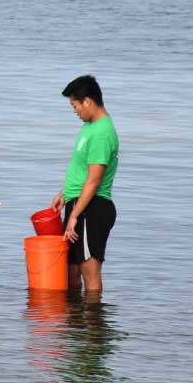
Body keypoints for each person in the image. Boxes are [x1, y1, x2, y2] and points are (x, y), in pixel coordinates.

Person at [51, 75, 118, 304]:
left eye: (75, 106)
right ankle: (76, 327)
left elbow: (93, 180)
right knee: (70, 271)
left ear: (88, 101)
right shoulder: (89, 127)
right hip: (77, 203)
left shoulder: (102, 133)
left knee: (90, 272)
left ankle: (93, 332)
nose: (75, 111)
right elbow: (80, 168)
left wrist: (76, 215)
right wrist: (64, 193)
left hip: (92, 207)